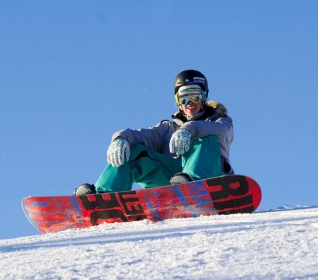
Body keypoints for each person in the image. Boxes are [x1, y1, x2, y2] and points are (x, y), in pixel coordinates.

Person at [75, 69, 234, 195]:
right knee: (134, 151)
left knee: (205, 139)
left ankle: (194, 187)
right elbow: (140, 136)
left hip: (211, 178)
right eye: (184, 97)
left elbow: (221, 130)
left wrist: (190, 129)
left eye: (195, 96)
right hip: (173, 180)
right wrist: (120, 138)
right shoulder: (168, 128)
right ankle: (104, 196)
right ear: (177, 102)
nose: (190, 103)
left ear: (204, 97)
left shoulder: (219, 121)